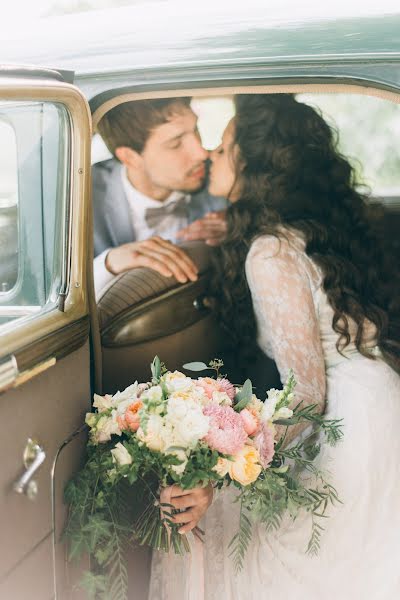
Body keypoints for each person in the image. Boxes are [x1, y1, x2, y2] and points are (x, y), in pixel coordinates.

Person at [148, 94, 400, 600]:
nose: (213, 155)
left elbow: (305, 394)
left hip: (346, 428)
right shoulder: (309, 234)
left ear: (252, 163)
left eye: (224, 146)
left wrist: (229, 470)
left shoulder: (270, 251)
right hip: (376, 405)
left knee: (239, 536)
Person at [93, 97, 227, 297]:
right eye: (176, 143)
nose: (202, 153)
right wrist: (107, 264)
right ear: (130, 157)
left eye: (196, 130)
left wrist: (240, 226)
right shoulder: (79, 200)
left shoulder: (222, 179)